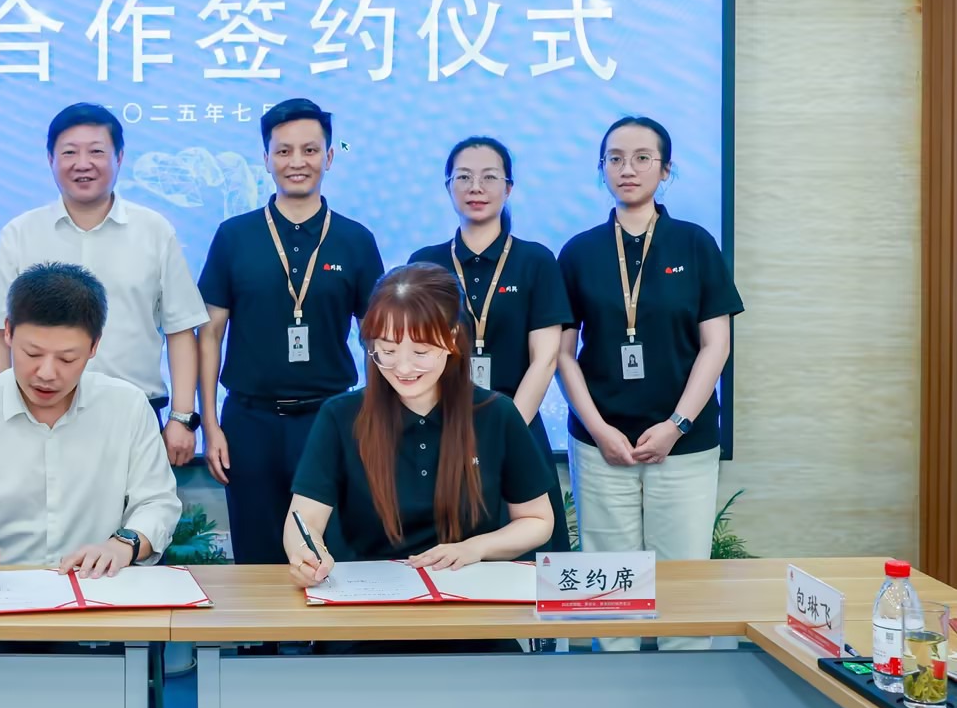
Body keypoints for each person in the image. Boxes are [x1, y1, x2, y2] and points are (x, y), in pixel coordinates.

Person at [284, 263, 555, 653]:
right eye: (387, 351)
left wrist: (475, 548)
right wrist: (307, 555)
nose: (403, 368)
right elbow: (304, 518)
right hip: (364, 616)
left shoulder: (495, 414)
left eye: (421, 351)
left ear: (452, 339)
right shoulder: (341, 416)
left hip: (470, 612)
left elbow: (537, 520)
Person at [556, 115, 743, 652]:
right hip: (601, 443)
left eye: (642, 158)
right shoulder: (579, 251)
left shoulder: (695, 244)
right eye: (615, 158)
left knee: (682, 583)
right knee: (609, 589)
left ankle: (685, 688)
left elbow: (716, 345)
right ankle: (613, 687)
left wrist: (676, 425)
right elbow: (562, 355)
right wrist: (599, 429)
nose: (628, 169)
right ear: (602, 169)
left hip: (684, 441)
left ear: (666, 170)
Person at [0, 262, 182, 584]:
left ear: (94, 346)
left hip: (96, 587)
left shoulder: (128, 407)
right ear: (8, 332)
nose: (47, 373)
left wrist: (122, 546)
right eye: (33, 354)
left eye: (67, 359)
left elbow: (157, 502)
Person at [198, 98, 383, 564]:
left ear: (329, 157)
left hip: (329, 419)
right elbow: (210, 335)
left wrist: (374, 421)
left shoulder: (356, 240)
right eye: (283, 151)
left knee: (328, 556)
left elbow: (377, 340)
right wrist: (211, 425)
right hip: (249, 421)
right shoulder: (234, 236)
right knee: (256, 559)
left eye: (309, 150)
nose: (296, 162)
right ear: (266, 159)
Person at [0, 104, 207, 465]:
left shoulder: (154, 231)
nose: (82, 164)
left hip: (135, 415)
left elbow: (180, 330)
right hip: (38, 415)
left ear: (119, 157)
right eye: (69, 153)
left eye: (96, 151)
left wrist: (182, 417)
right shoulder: (20, 233)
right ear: (50, 159)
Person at [407, 136, 573, 554]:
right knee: (445, 556)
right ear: (448, 187)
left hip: (519, 424)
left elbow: (545, 358)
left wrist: (505, 430)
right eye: (463, 178)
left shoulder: (535, 261)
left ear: (508, 187)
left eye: (489, 177)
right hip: (441, 430)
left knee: (528, 556)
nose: (476, 188)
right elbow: (413, 354)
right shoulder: (425, 262)